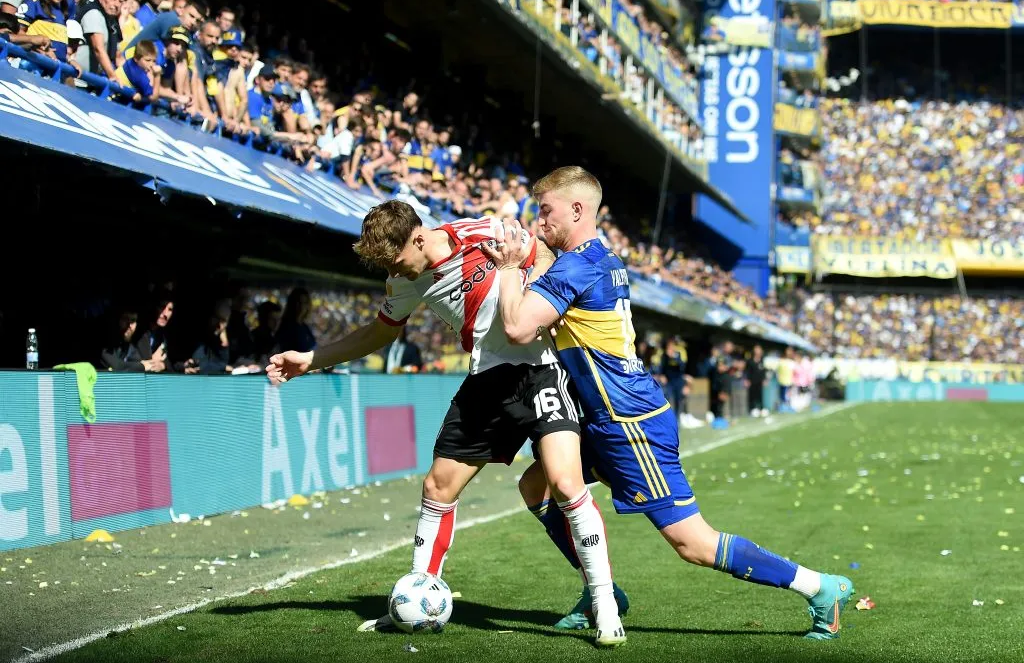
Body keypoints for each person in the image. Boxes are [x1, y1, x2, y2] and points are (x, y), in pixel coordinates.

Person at [480, 166, 855, 641]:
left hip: (627, 423)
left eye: (546, 211)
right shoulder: (596, 258)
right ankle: (603, 591)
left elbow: (518, 327)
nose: (538, 222)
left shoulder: (579, 265)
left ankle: (820, 587)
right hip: (603, 417)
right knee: (536, 486)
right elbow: (547, 275)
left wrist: (510, 267)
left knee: (692, 543)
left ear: (577, 210)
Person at [266, 201, 626, 647]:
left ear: (418, 238)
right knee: (438, 487)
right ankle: (417, 594)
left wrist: (538, 300)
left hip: (541, 370)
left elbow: (546, 257)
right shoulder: (404, 280)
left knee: (566, 484)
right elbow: (377, 334)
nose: (393, 271)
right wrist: (311, 359)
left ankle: (605, 603)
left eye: (395, 259)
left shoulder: (481, 231)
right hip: (486, 380)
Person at [745, 344, 767, 417]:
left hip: (760, 381)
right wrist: (747, 380)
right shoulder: (750, 361)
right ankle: (752, 409)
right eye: (756, 349)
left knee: (760, 395)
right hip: (752, 381)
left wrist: (764, 379)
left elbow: (764, 371)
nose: (758, 351)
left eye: (759, 349)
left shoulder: (762, 360)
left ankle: (761, 408)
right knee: (752, 396)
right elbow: (747, 371)